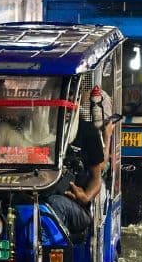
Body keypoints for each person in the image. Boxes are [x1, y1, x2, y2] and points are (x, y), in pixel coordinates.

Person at [43, 99, 105, 241]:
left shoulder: (87, 131)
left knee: (53, 205)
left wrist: (86, 197)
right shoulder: (37, 131)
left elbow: (97, 179)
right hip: (39, 195)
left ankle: (53, 254)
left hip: (75, 207)